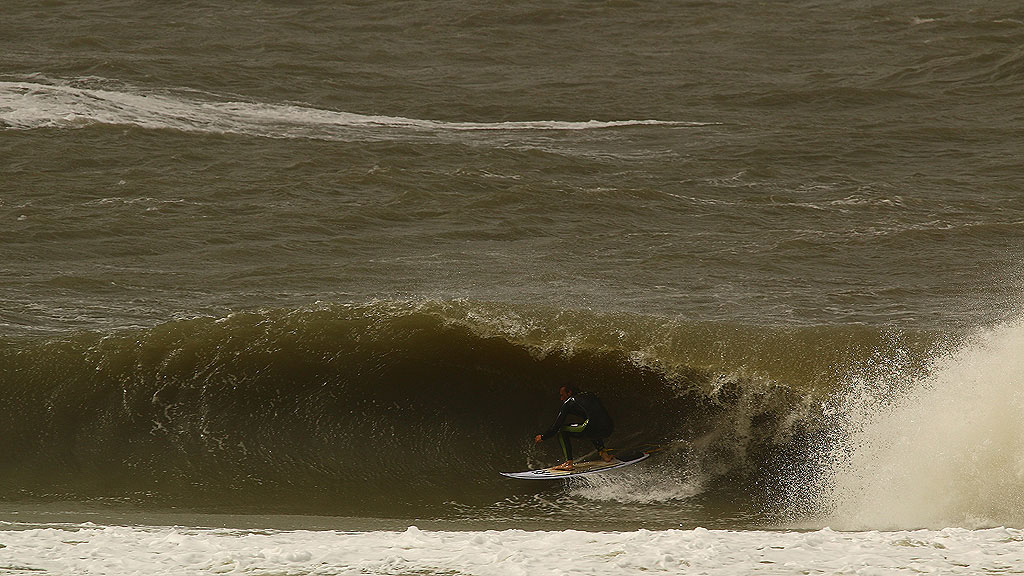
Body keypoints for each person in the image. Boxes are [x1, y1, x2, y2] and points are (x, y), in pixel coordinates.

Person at [534, 384, 615, 471]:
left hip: (592, 427)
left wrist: (543, 437)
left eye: (562, 395)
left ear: (569, 393)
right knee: (591, 424)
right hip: (609, 427)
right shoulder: (590, 395)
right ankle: (605, 455)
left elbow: (556, 426)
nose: (561, 398)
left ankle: (568, 463)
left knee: (562, 431)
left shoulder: (569, 402)